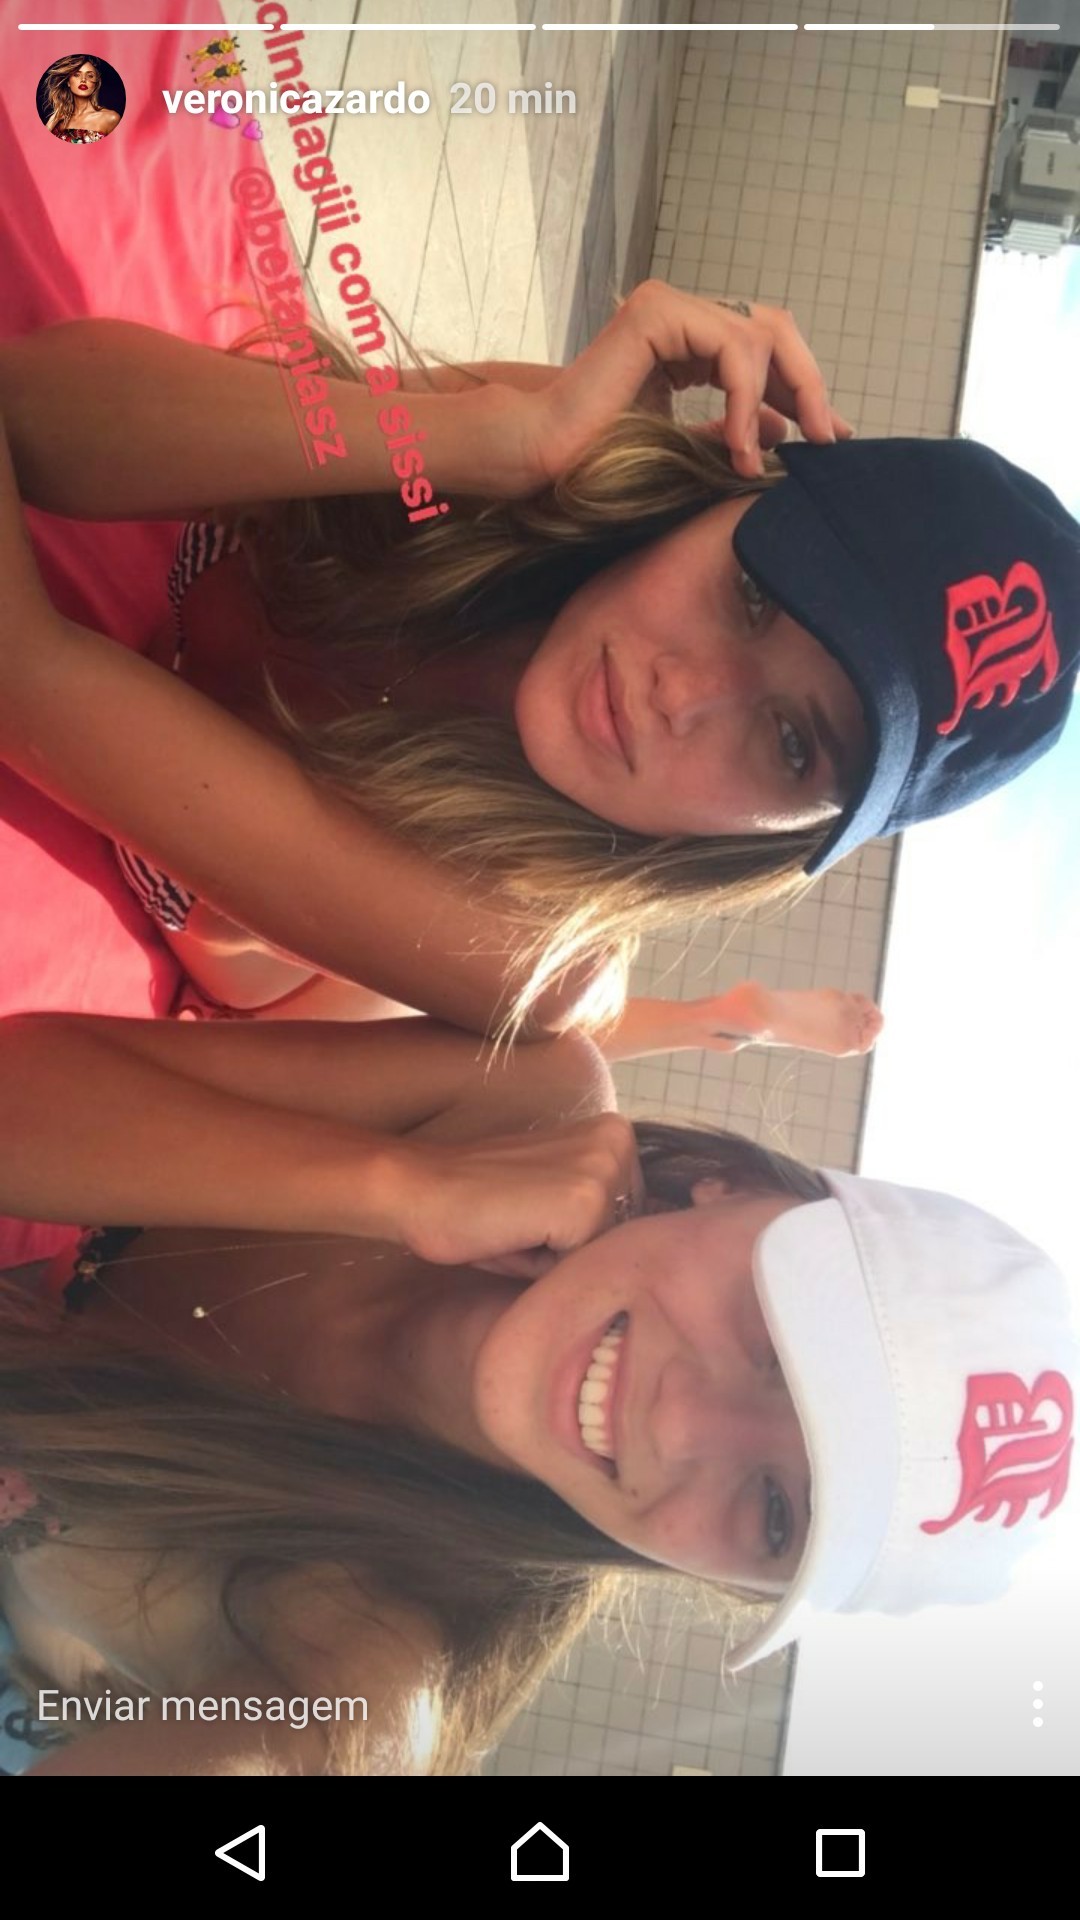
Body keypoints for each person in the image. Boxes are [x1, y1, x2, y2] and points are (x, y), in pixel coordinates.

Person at [0, 1009, 1074, 1776]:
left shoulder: (380, 1656)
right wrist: (401, 1186)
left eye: (776, 1513)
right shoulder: (517, 1096)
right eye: (774, 1341)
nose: (681, 1425)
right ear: (735, 1190)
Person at [1, 288, 1077, 1039]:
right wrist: (497, 437)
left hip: (283, 983)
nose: (684, 692)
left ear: (788, 837)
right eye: (753, 592)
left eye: (794, 743)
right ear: (730, 485)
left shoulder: (516, 944)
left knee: (572, 1011)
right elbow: (32, 406)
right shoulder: (556, 467)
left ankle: (727, 1018)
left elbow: (28, 677)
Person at [40, 56, 121, 146]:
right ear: (68, 82)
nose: (83, 80)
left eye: (90, 76)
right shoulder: (59, 121)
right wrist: (52, 121)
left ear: (95, 84)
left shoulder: (110, 118)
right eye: (77, 75)